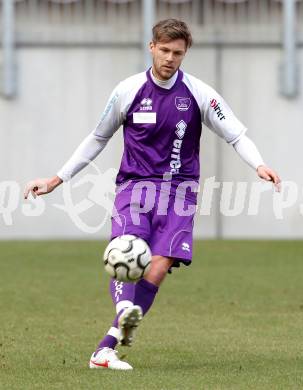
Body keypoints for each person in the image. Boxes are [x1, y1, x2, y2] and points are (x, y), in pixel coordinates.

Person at [24, 19, 281, 370]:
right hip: (135, 187)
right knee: (125, 249)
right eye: (164, 50)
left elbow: (235, 134)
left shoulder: (199, 93)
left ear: (185, 53)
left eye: (178, 53)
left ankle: (107, 346)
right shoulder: (128, 91)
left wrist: (259, 165)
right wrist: (57, 179)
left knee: (157, 269)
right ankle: (123, 315)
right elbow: (98, 138)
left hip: (180, 192)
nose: (170, 58)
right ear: (152, 47)